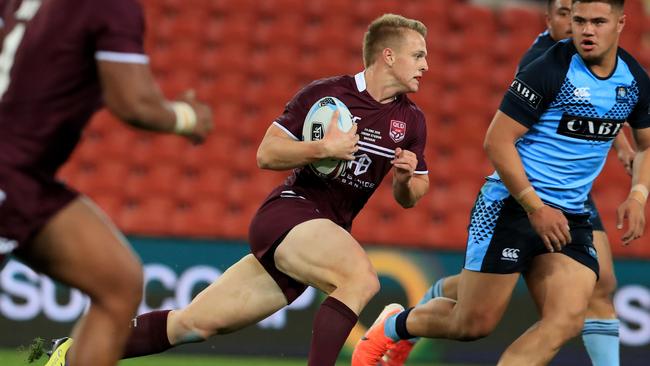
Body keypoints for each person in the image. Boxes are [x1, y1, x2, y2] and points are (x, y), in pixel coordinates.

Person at [44, 13, 430, 366]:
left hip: (325, 234)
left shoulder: (411, 120)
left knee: (193, 324)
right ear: (388, 56)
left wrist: (403, 181)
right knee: (361, 279)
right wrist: (323, 148)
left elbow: (412, 195)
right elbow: (267, 153)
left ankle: (70, 355)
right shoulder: (326, 94)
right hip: (291, 213)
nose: (426, 65)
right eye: (418, 55)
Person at [352, 1, 650, 365]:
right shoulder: (548, 69)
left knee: (566, 319)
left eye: (598, 22)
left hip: (571, 215)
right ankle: (394, 327)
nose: (587, 30)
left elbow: (646, 143)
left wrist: (637, 194)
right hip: (512, 206)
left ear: (621, 23)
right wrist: (535, 207)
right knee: (473, 324)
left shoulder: (634, 80)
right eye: (580, 21)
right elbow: (496, 141)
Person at [0, 0, 213, 365]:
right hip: (11, 171)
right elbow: (134, 103)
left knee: (118, 282)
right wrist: (187, 118)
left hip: (25, 178)